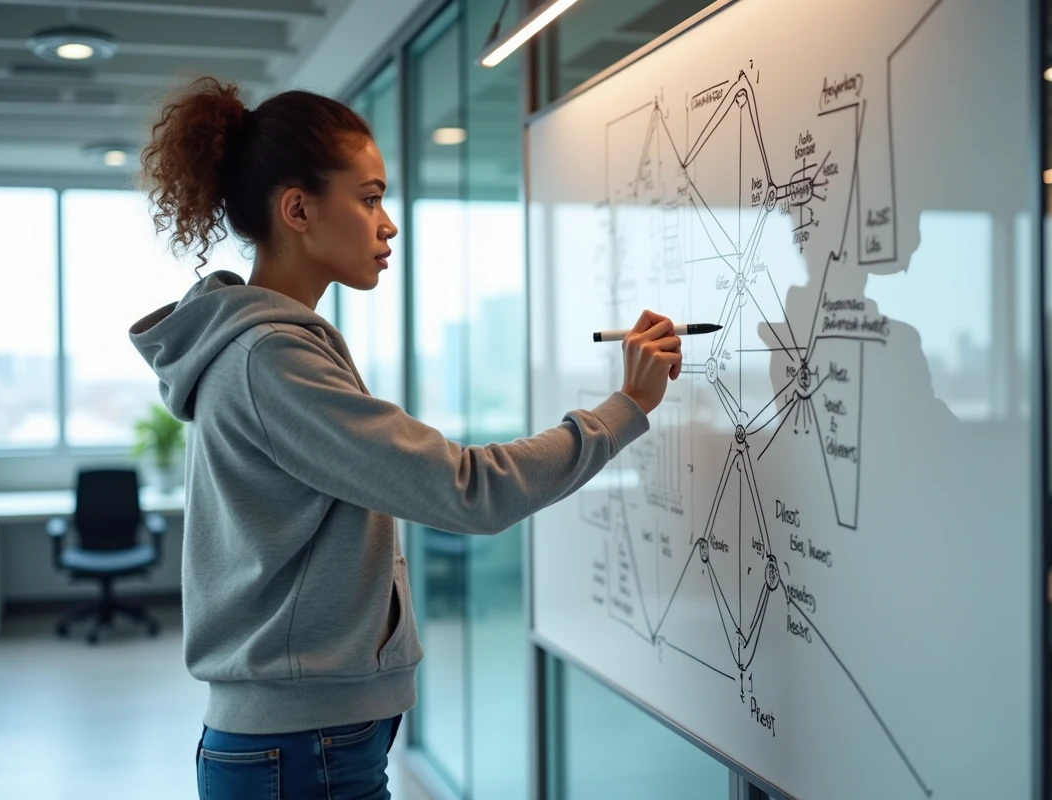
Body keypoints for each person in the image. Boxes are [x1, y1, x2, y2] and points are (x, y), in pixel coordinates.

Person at [129, 76, 681, 800]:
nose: (388, 224)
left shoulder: (269, 347)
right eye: (369, 198)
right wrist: (626, 406)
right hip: (302, 748)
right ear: (298, 209)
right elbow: (468, 491)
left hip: (302, 741)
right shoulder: (272, 359)